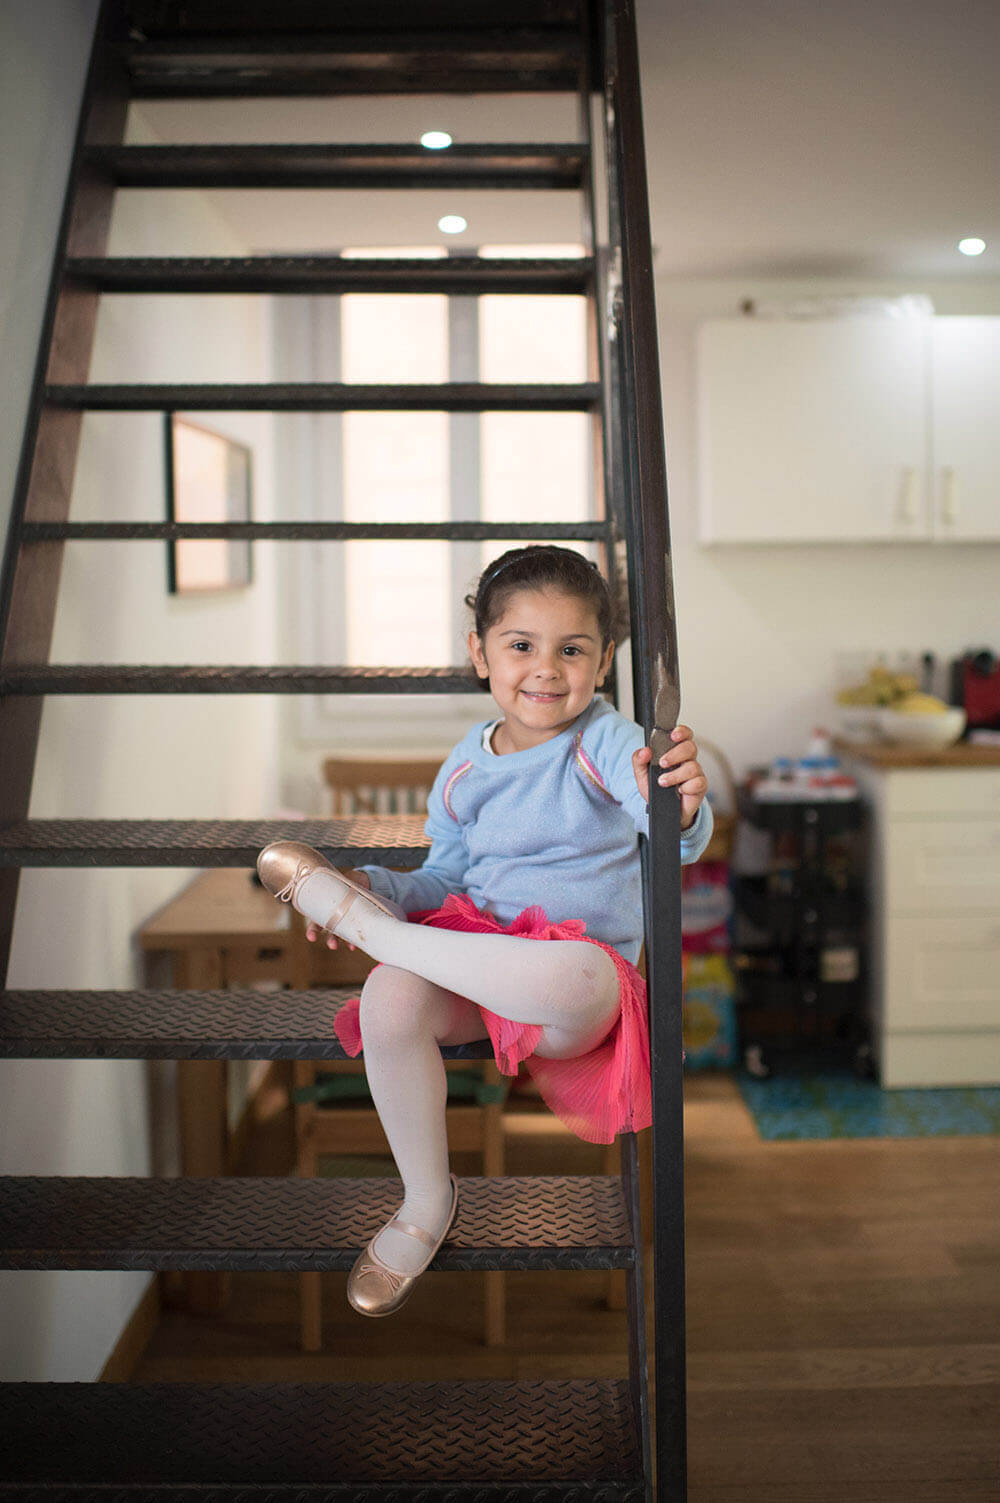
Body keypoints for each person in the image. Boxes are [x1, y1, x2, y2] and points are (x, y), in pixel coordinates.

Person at [257, 545, 712, 1318]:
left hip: (571, 994)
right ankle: (426, 1199)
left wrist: (685, 806)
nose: (545, 667)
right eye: (520, 645)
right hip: (479, 967)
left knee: (576, 972)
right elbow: (445, 880)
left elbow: (670, 839)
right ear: (480, 654)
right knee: (389, 996)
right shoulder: (466, 766)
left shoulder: (606, 743)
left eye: (572, 648)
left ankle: (380, 934)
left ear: (603, 661)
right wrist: (383, 889)